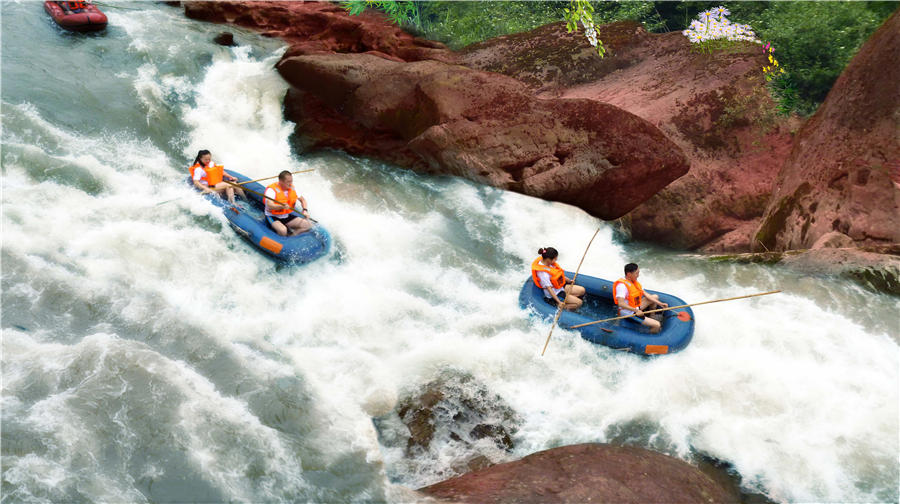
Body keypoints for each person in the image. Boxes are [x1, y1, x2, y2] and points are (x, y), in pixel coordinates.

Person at [613, 263, 669, 334]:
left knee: (655, 297)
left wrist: (660, 303)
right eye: (637, 273)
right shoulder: (622, 286)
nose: (638, 275)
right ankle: (651, 337)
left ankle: (652, 316)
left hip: (636, 306)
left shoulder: (634, 282)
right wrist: (636, 311)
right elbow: (621, 303)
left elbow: (646, 295)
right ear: (629, 274)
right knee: (657, 325)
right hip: (629, 313)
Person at [264, 170, 311, 236]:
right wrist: (281, 206)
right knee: (283, 230)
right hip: (272, 216)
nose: (290, 183)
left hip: (285, 216)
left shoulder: (292, 188)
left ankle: (292, 237)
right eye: (288, 181)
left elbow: (303, 200)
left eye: (291, 181)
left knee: (307, 225)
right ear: (281, 181)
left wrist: (305, 210)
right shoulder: (271, 190)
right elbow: (270, 205)